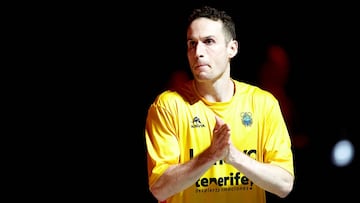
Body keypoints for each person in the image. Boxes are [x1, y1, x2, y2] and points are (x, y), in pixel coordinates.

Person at [144, 5, 294, 203]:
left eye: (209, 42)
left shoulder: (262, 103)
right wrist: (210, 156)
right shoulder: (167, 106)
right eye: (192, 43)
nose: (198, 52)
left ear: (232, 48)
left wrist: (233, 156)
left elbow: (284, 185)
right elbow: (159, 189)